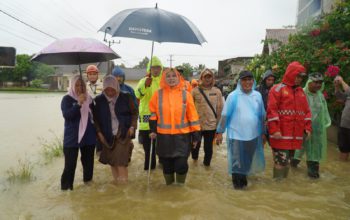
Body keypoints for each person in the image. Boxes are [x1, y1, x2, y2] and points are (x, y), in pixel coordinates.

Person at [149, 68, 201, 185]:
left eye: (174, 76)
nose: (171, 78)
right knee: (166, 166)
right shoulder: (158, 94)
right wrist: (152, 129)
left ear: (179, 78)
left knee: (181, 165)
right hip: (163, 137)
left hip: (182, 137)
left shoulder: (186, 95)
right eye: (168, 76)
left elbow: (193, 116)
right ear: (164, 78)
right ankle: (170, 188)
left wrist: (196, 134)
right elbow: (152, 113)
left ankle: (180, 188)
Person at [216, 70, 265, 189]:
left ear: (253, 81)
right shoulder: (233, 96)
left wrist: (263, 133)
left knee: (247, 161)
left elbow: (262, 115)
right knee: (237, 164)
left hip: (253, 135)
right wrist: (220, 132)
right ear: (240, 82)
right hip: (236, 136)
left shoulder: (257, 95)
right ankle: (238, 190)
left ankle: (244, 186)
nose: (247, 82)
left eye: (250, 80)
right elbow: (225, 116)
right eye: (244, 80)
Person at [267, 61, 312, 180]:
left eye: (301, 77)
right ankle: (277, 186)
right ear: (291, 74)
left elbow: (307, 112)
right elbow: (272, 111)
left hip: (294, 137)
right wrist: (275, 130)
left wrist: (307, 128)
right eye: (297, 76)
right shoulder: (277, 89)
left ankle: (283, 186)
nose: (299, 79)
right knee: (280, 162)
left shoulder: (301, 92)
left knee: (287, 162)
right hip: (280, 136)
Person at [93, 76, 138, 183]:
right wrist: (99, 133)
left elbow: (134, 113)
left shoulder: (126, 97)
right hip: (107, 136)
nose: (110, 92)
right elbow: (95, 119)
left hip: (123, 134)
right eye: (107, 89)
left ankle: (123, 188)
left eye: (112, 89)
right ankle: (118, 185)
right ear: (103, 88)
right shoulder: (98, 100)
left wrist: (132, 126)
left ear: (116, 87)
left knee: (121, 163)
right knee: (112, 162)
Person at [291, 73, 331, 178]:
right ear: (309, 82)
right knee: (296, 154)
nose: (318, 85)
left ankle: (313, 177)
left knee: (314, 155)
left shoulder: (320, 96)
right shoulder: (301, 94)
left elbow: (324, 112)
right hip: (303, 131)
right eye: (316, 82)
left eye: (320, 83)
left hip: (317, 132)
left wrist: (324, 125)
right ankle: (292, 170)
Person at [60, 75, 96, 190]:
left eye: (82, 85)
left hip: (88, 136)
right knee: (70, 166)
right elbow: (68, 116)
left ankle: (87, 189)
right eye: (77, 85)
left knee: (88, 166)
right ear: (72, 86)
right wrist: (78, 104)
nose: (80, 87)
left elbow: (95, 116)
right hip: (72, 138)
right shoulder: (67, 99)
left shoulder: (89, 98)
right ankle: (66, 190)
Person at [135, 56, 163, 170]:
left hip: (161, 120)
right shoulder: (143, 81)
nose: (155, 70)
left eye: (158, 68)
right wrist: (145, 85)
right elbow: (138, 95)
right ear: (149, 69)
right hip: (146, 121)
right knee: (148, 151)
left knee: (161, 150)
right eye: (153, 68)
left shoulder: (164, 82)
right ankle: (149, 170)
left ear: (161, 69)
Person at [191, 68, 223, 166]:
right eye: (205, 77)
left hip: (211, 125)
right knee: (194, 148)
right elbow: (190, 109)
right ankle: (194, 163)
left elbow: (220, 110)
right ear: (201, 78)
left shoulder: (217, 92)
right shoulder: (194, 91)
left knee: (208, 148)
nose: (208, 79)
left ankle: (206, 166)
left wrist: (219, 130)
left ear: (212, 78)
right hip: (197, 125)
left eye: (210, 77)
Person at [112, 66, 138, 162]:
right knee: (115, 144)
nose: (118, 79)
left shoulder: (129, 90)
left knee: (128, 143)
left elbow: (135, 108)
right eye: (116, 76)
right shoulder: (109, 90)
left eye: (120, 76)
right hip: (114, 123)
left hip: (127, 122)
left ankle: (127, 159)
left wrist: (133, 126)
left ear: (123, 77)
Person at [334, 75, 350, 161]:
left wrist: (342, 81)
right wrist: (336, 87)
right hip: (345, 126)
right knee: (344, 150)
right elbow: (340, 96)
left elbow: (349, 91)